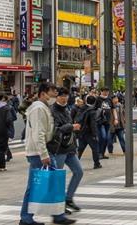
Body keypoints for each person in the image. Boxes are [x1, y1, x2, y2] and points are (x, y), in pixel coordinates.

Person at [19, 82, 75, 225]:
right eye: (52, 92)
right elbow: (39, 133)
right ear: (43, 93)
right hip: (39, 152)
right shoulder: (38, 108)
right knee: (37, 184)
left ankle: (56, 214)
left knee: (50, 182)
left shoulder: (42, 107)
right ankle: (28, 218)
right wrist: (44, 154)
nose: (55, 95)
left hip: (42, 151)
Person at [47, 87, 84, 215]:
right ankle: (59, 204)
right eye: (62, 96)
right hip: (58, 149)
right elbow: (56, 129)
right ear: (56, 96)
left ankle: (68, 198)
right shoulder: (52, 110)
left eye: (66, 96)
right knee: (58, 177)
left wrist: (75, 146)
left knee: (79, 172)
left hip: (69, 148)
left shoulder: (67, 109)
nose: (64, 98)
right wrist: (71, 127)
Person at [76, 95, 101, 169]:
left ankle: (75, 163)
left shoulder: (82, 108)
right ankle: (96, 164)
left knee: (80, 149)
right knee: (95, 148)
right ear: (94, 102)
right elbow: (93, 124)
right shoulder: (92, 111)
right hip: (89, 133)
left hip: (81, 132)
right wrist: (95, 134)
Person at [96, 88, 113, 159]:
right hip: (100, 122)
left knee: (106, 138)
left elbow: (113, 109)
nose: (106, 93)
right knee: (103, 137)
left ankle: (102, 153)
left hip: (107, 121)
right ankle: (99, 153)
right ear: (101, 92)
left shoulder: (109, 99)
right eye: (105, 91)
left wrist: (115, 118)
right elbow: (94, 109)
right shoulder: (97, 99)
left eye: (107, 91)